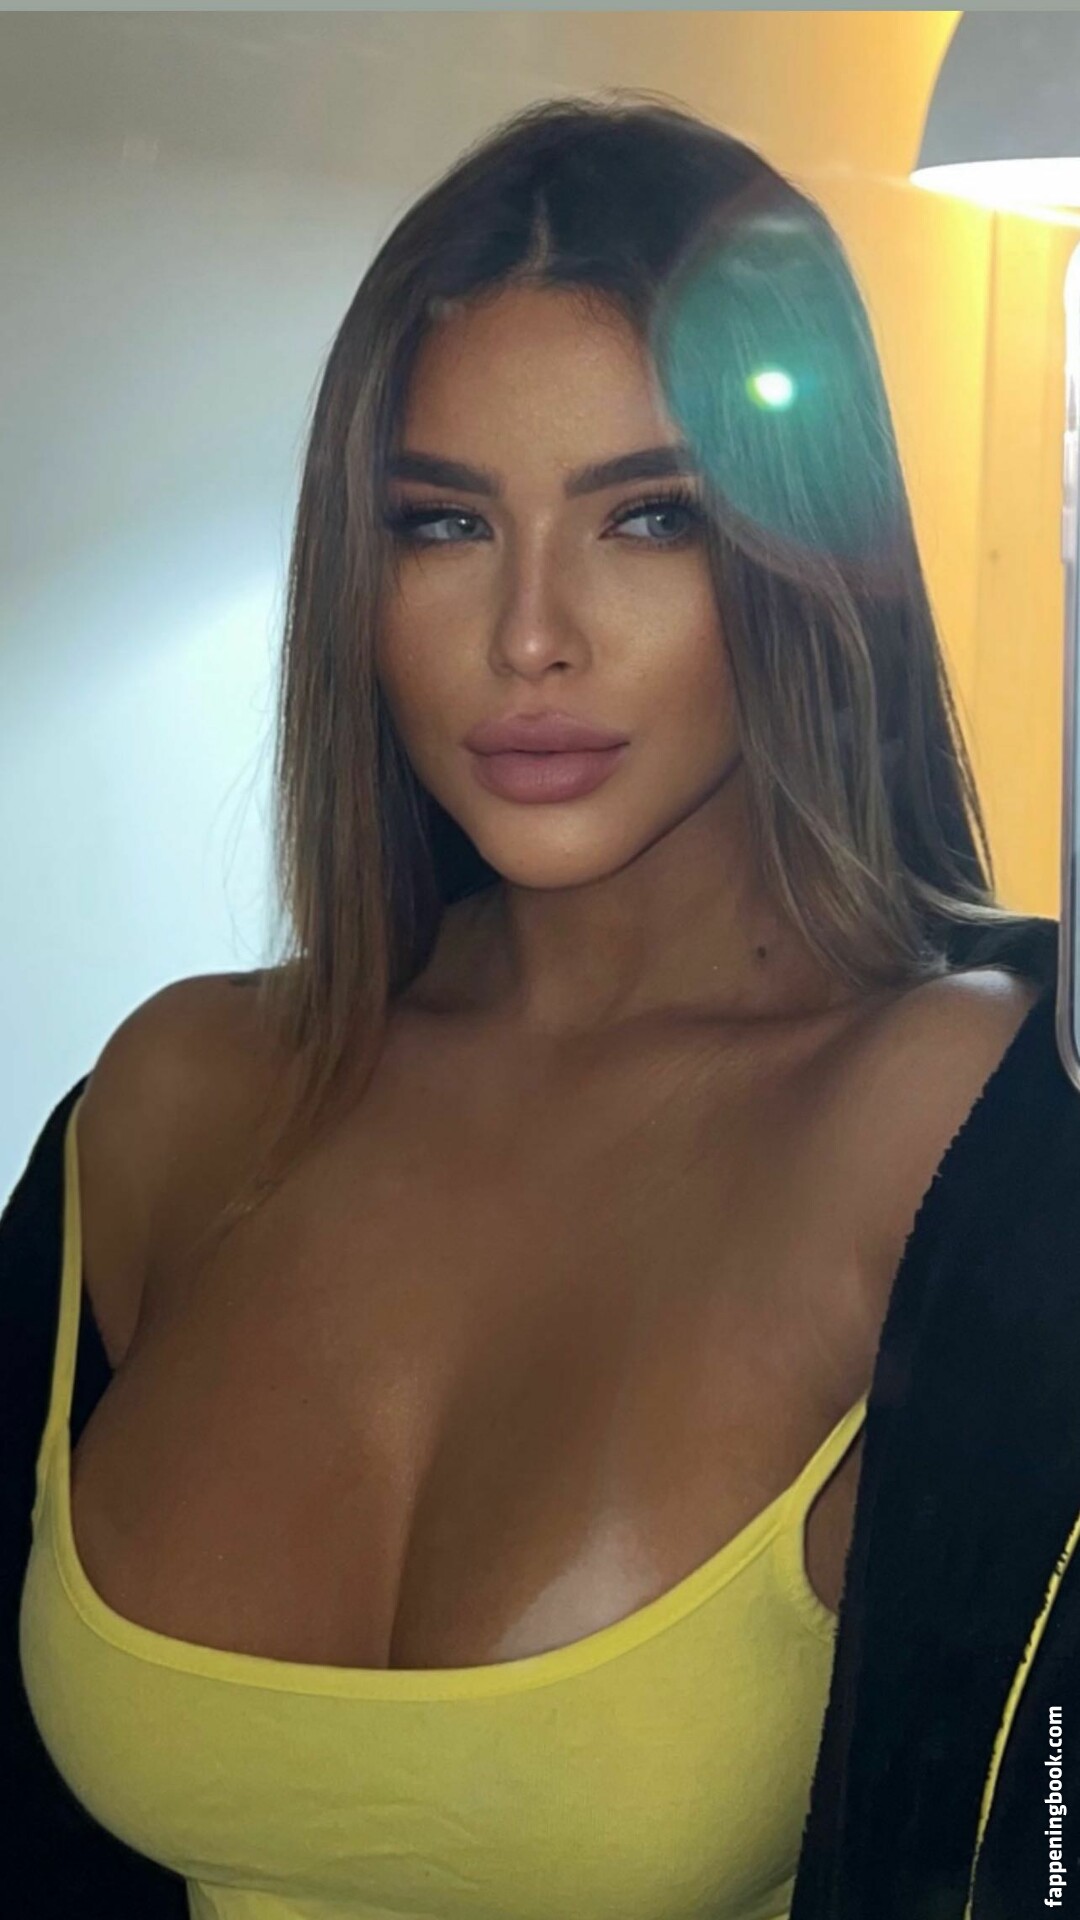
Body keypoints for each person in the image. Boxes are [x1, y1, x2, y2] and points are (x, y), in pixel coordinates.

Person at [4, 88, 1078, 1920]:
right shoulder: (183, 1097)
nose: (529, 638)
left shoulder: (958, 1118)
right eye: (443, 525)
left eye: (648, 518)